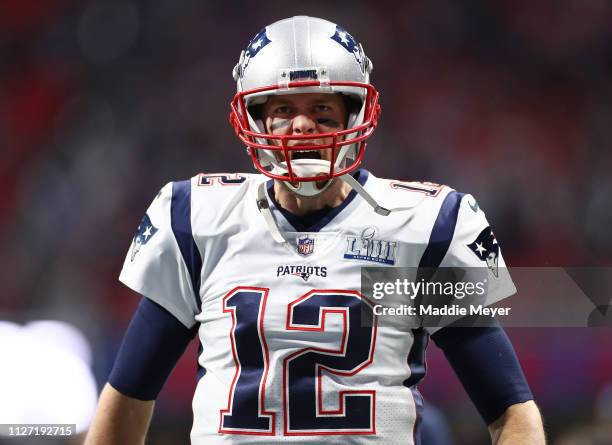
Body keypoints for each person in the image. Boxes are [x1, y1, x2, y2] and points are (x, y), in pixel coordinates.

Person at [85, 16, 545, 445]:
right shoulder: (199, 221)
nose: (302, 125)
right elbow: (128, 395)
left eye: (322, 110)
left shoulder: (423, 227)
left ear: (355, 116)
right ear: (254, 119)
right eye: (283, 109)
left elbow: (509, 408)